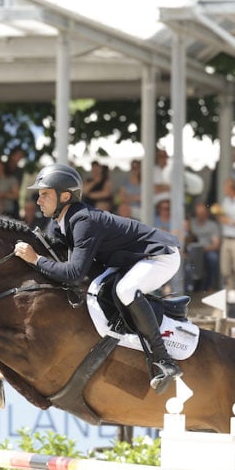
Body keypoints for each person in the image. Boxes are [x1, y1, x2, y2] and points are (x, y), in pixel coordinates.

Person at [13, 163, 182, 393]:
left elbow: (73, 274)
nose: (38, 200)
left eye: (44, 194)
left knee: (125, 290)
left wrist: (35, 260)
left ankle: (165, 361)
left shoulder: (84, 221)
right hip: (131, 260)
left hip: (160, 256)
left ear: (64, 196)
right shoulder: (60, 222)